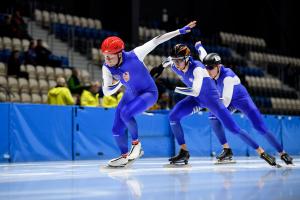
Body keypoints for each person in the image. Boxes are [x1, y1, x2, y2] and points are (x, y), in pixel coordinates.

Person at [150, 44, 278, 166]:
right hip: (197, 99)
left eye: (179, 61)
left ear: (187, 59)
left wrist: (172, 87)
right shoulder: (174, 62)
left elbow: (195, 90)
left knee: (233, 129)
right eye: (175, 61)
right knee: (173, 116)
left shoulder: (198, 69)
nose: (176, 64)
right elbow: (167, 61)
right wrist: (160, 67)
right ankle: (184, 152)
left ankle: (261, 152)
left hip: (212, 101)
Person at [101, 21, 197, 167]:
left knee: (126, 113)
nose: (107, 60)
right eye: (105, 56)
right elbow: (107, 92)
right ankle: (124, 156)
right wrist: (120, 80)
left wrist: (180, 31)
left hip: (149, 93)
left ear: (120, 54)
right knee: (116, 128)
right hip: (131, 93)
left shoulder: (135, 54)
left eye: (110, 56)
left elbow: (157, 40)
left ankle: (136, 145)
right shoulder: (107, 68)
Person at [195, 42, 293, 165]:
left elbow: (224, 103)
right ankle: (227, 150)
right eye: (206, 69)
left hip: (242, 100)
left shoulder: (227, 78)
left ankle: (282, 153)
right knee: (213, 117)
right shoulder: (211, 67)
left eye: (210, 69)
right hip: (228, 98)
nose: (208, 72)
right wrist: (198, 46)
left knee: (260, 127)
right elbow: (203, 55)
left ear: (218, 66)